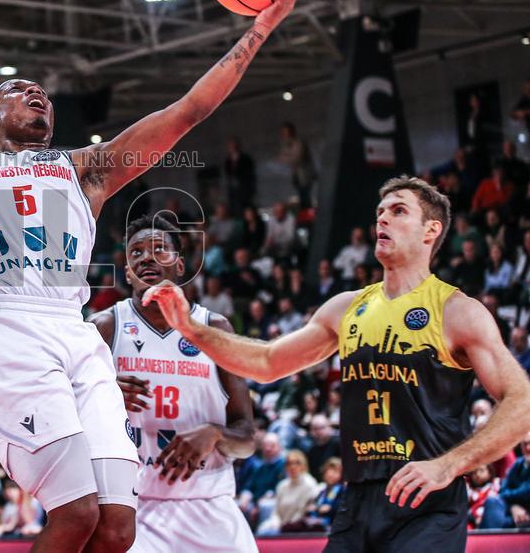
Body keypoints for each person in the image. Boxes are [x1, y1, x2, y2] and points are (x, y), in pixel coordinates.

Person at [0, 0, 309, 552]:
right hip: (3, 328)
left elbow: (188, 111)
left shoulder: (84, 169)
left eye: (39, 90)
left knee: (117, 528)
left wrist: (261, 28)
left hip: (72, 332)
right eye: (17, 91)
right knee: (74, 513)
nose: (35, 92)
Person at [145, 175, 530, 552]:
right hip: (358, 497)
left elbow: (522, 402)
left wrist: (450, 465)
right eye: (380, 212)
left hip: (427, 502)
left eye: (398, 211)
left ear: (431, 231)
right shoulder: (347, 308)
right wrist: (190, 328)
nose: (382, 219)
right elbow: (267, 361)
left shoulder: (457, 311)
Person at [90, 214, 257, 552]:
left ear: (180, 266)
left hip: (209, 502)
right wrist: (99, 398)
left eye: (159, 250)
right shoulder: (105, 326)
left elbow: (247, 439)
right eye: (136, 252)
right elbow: (66, 418)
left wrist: (214, 434)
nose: (146, 257)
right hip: (132, 508)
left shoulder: (215, 328)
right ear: (127, 272)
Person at [479, 430, 530, 529]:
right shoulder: (518, 464)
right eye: (525, 444)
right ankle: (489, 541)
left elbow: (526, 491)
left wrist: (511, 501)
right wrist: (513, 507)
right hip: (515, 513)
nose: (528, 448)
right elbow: (502, 488)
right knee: (492, 502)